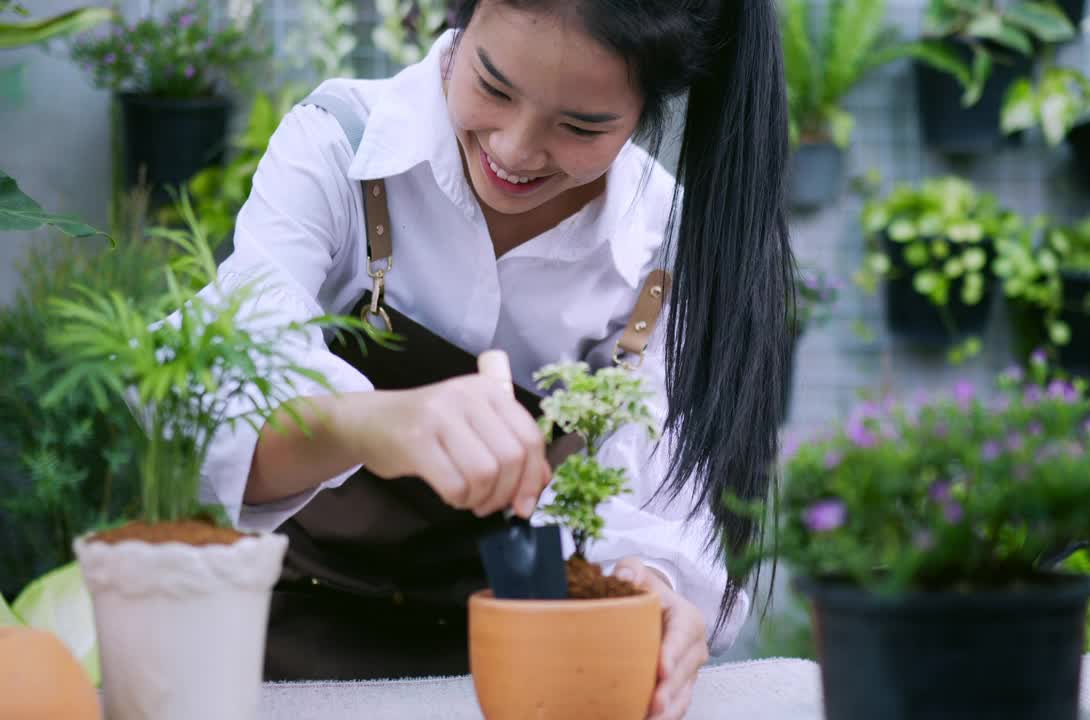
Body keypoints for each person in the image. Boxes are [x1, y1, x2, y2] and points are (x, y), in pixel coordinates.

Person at [198, 2, 792, 718]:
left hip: (525, 669)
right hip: (286, 656)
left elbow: (656, 507)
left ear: (648, 108)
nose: (513, 151)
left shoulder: (659, 252)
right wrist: (370, 424)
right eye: (492, 86)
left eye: (581, 127)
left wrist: (656, 591)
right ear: (459, 21)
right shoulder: (338, 150)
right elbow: (211, 426)